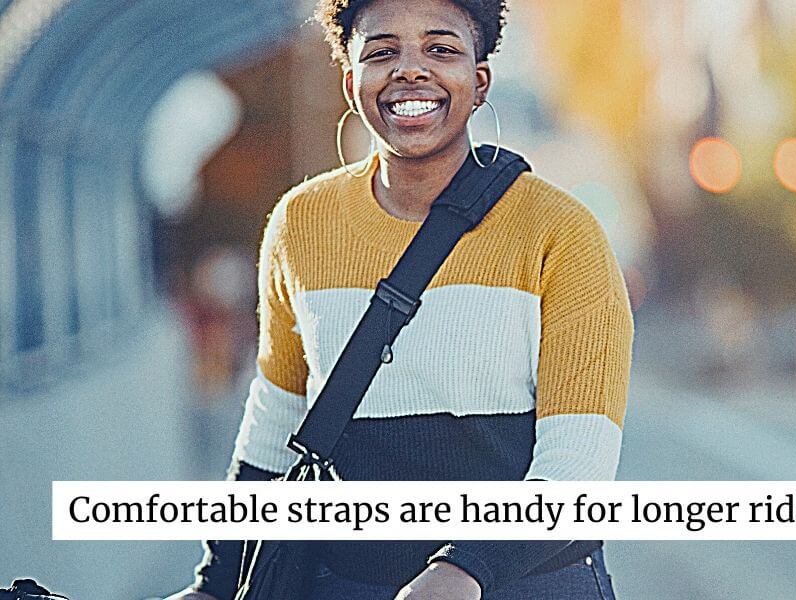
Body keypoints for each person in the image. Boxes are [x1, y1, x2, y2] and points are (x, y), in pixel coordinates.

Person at [165, 0, 633, 598]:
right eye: (382, 52)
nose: (411, 71)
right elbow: (275, 426)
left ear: (480, 80)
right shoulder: (299, 224)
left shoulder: (561, 232)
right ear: (350, 81)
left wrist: (466, 571)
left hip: (523, 584)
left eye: (441, 49)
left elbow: (580, 459)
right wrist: (215, 582)